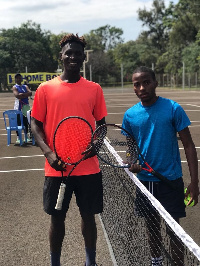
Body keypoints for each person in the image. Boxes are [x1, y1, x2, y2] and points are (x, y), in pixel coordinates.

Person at [31, 34, 107, 266]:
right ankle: (55, 262)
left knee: (89, 217)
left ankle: (90, 262)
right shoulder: (45, 89)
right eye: (68, 53)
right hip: (57, 170)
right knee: (56, 219)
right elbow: (35, 124)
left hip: (88, 169)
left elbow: (102, 126)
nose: (73, 56)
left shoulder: (94, 89)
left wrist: (96, 146)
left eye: (77, 53)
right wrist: (48, 153)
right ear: (61, 57)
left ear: (83, 57)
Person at [122, 66, 199, 266]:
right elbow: (131, 146)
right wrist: (131, 161)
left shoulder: (173, 108)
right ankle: (155, 261)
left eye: (146, 82)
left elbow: (189, 146)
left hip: (171, 181)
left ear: (155, 83)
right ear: (134, 88)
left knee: (174, 231)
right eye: (137, 84)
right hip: (145, 183)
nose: (142, 87)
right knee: (152, 228)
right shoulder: (130, 115)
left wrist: (194, 183)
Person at [12, 73, 32, 143]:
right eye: (17, 78)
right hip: (18, 107)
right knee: (18, 122)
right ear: (15, 79)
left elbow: (30, 93)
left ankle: (26, 136)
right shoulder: (15, 87)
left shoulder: (25, 86)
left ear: (21, 78)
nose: (19, 79)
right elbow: (17, 95)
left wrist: (22, 95)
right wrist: (25, 95)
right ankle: (18, 137)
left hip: (26, 106)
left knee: (26, 121)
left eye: (20, 78)